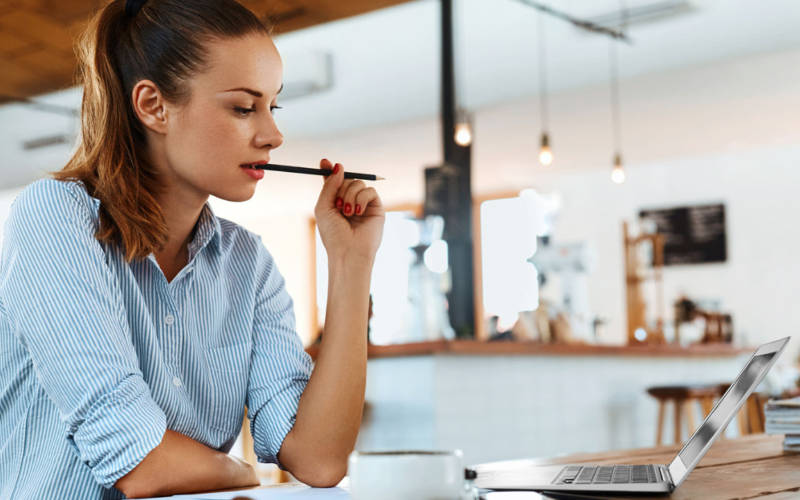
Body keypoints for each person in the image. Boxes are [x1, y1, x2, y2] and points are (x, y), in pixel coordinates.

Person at [0, 0, 384, 498]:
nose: (272, 135)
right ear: (153, 106)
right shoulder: (55, 217)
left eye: (273, 106)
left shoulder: (248, 264)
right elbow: (140, 464)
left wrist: (351, 263)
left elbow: (318, 458)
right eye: (244, 108)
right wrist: (240, 472)